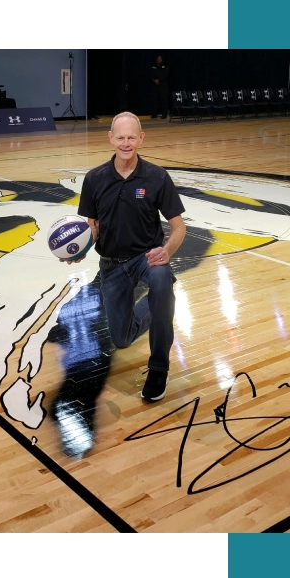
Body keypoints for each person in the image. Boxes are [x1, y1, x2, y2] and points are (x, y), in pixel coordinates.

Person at [73, 112, 186, 402]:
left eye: (131, 137)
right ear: (111, 138)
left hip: (146, 258)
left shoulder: (157, 177)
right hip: (111, 265)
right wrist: (80, 248)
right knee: (122, 339)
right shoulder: (94, 179)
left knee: (161, 280)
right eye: (120, 137)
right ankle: (159, 302)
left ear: (141, 138)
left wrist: (167, 251)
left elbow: (178, 227)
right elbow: (93, 228)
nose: (126, 143)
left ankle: (159, 368)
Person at [151, 55, 170, 119]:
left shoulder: (165, 67)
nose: (159, 60)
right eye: (158, 58)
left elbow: (166, 75)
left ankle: (164, 114)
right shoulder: (153, 67)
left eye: (160, 58)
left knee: (163, 99)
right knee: (154, 100)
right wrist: (154, 80)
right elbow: (151, 74)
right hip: (155, 85)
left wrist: (159, 80)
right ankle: (154, 114)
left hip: (163, 85)